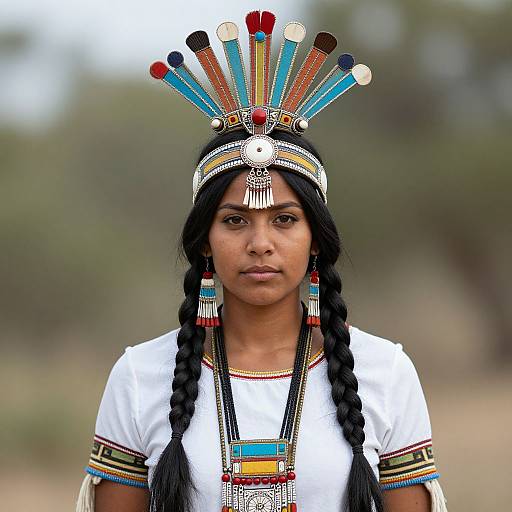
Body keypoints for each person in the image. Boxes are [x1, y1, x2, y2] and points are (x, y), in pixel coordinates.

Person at [76, 10, 448, 512]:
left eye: (284, 220)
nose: (259, 243)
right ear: (204, 240)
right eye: (234, 221)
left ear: (316, 238)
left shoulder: (385, 372)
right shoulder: (141, 375)